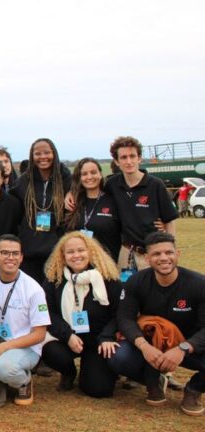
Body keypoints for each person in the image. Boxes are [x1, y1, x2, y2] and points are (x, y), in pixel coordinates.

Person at [108, 232, 205, 416]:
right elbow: (125, 318)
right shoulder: (136, 281)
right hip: (152, 345)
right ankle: (153, 380)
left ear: (178, 254)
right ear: (147, 258)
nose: (163, 258)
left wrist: (183, 348)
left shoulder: (199, 284)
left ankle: (194, 389)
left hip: (189, 345)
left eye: (168, 252)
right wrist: (144, 346)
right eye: (156, 254)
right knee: (117, 357)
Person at [0, 234, 50, 406]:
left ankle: (24, 382)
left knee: (3, 368)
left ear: (21, 257)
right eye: (5, 253)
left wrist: (1, 348)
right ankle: (4, 379)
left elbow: (39, 335)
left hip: (25, 347)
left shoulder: (34, 289)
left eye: (15, 253)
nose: (10, 258)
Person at [40, 231, 121, 397]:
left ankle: (100, 369)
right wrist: (67, 335)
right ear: (63, 256)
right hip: (68, 337)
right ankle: (68, 372)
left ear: (90, 251)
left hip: (97, 339)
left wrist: (107, 337)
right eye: (70, 252)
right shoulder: (54, 279)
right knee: (49, 350)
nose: (76, 255)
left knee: (99, 390)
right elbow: (49, 313)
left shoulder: (107, 277)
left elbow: (118, 314)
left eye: (81, 250)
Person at [103, 136, 177, 276]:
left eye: (132, 156)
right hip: (126, 252)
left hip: (152, 252)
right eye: (124, 157)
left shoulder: (155, 184)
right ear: (117, 161)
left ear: (139, 158)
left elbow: (170, 221)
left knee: (153, 294)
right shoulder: (112, 185)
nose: (129, 161)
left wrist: (170, 251)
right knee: (126, 294)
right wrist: (71, 193)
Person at [10, 138, 71, 285]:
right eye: (37, 153)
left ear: (54, 154)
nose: (43, 157)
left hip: (56, 249)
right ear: (32, 156)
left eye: (47, 152)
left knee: (53, 292)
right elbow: (11, 206)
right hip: (30, 249)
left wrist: (73, 192)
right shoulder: (24, 180)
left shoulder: (65, 178)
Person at [64, 158, 121, 260]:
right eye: (84, 174)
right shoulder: (72, 202)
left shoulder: (114, 200)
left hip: (108, 265)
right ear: (79, 178)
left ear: (100, 174)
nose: (89, 177)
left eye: (93, 172)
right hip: (80, 266)